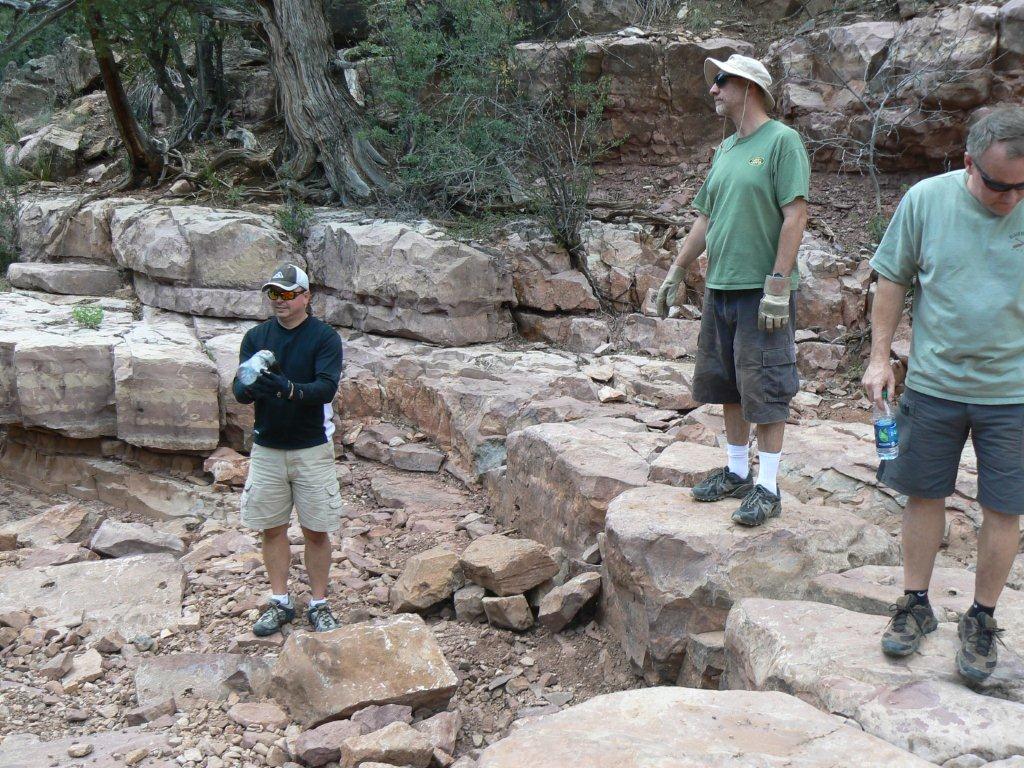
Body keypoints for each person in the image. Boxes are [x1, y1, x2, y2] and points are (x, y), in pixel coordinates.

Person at [863, 106, 1024, 682]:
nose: (1011, 199)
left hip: (1014, 392)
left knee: (1005, 507)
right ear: (968, 164)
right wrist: (880, 357)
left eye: (1023, 187)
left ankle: (982, 617)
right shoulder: (926, 200)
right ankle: (915, 603)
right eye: (1000, 186)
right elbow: (893, 277)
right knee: (923, 494)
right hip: (934, 383)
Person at [656, 54, 809, 526]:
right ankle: (739, 472)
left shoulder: (782, 141)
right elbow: (706, 217)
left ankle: (769, 487)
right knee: (730, 384)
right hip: (720, 286)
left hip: (760, 292)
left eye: (721, 80)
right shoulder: (725, 150)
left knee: (767, 385)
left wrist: (778, 284)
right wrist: (677, 270)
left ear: (749, 87)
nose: (713, 89)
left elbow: (795, 215)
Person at [232, 263, 345, 636]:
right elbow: (240, 388)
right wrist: (250, 386)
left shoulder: (324, 338)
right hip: (268, 447)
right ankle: (279, 602)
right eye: (272, 293)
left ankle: (318, 603)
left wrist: (287, 389)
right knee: (272, 528)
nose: (278, 300)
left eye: (286, 293)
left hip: (311, 447)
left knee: (316, 531)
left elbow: (325, 388)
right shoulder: (257, 337)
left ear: (306, 296)